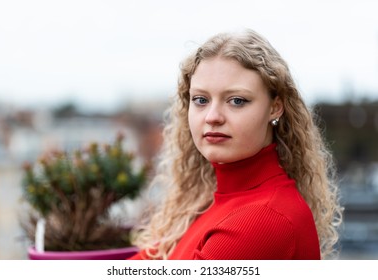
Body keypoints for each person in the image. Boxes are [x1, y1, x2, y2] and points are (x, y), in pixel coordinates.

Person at [128, 29, 343, 260]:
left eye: (237, 101)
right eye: (201, 100)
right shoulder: (205, 203)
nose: (212, 116)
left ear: (275, 107)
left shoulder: (263, 219)